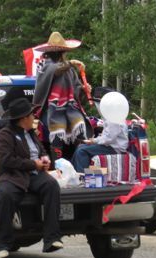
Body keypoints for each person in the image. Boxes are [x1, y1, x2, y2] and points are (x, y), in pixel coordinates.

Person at [0, 98, 63, 258]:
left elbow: (41, 149)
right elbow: (7, 161)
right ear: (23, 118)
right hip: (12, 176)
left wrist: (45, 158)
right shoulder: (4, 135)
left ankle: (52, 238)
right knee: (6, 195)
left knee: (51, 185)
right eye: (32, 115)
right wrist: (33, 164)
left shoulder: (31, 133)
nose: (34, 118)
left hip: (34, 175)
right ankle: (3, 244)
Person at [33, 32, 92, 161]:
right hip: (51, 110)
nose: (65, 54)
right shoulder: (44, 65)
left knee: (80, 128)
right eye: (64, 52)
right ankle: (58, 167)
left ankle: (78, 164)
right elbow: (54, 70)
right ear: (60, 52)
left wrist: (83, 89)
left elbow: (75, 91)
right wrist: (70, 63)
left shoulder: (69, 69)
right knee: (57, 134)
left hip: (70, 108)